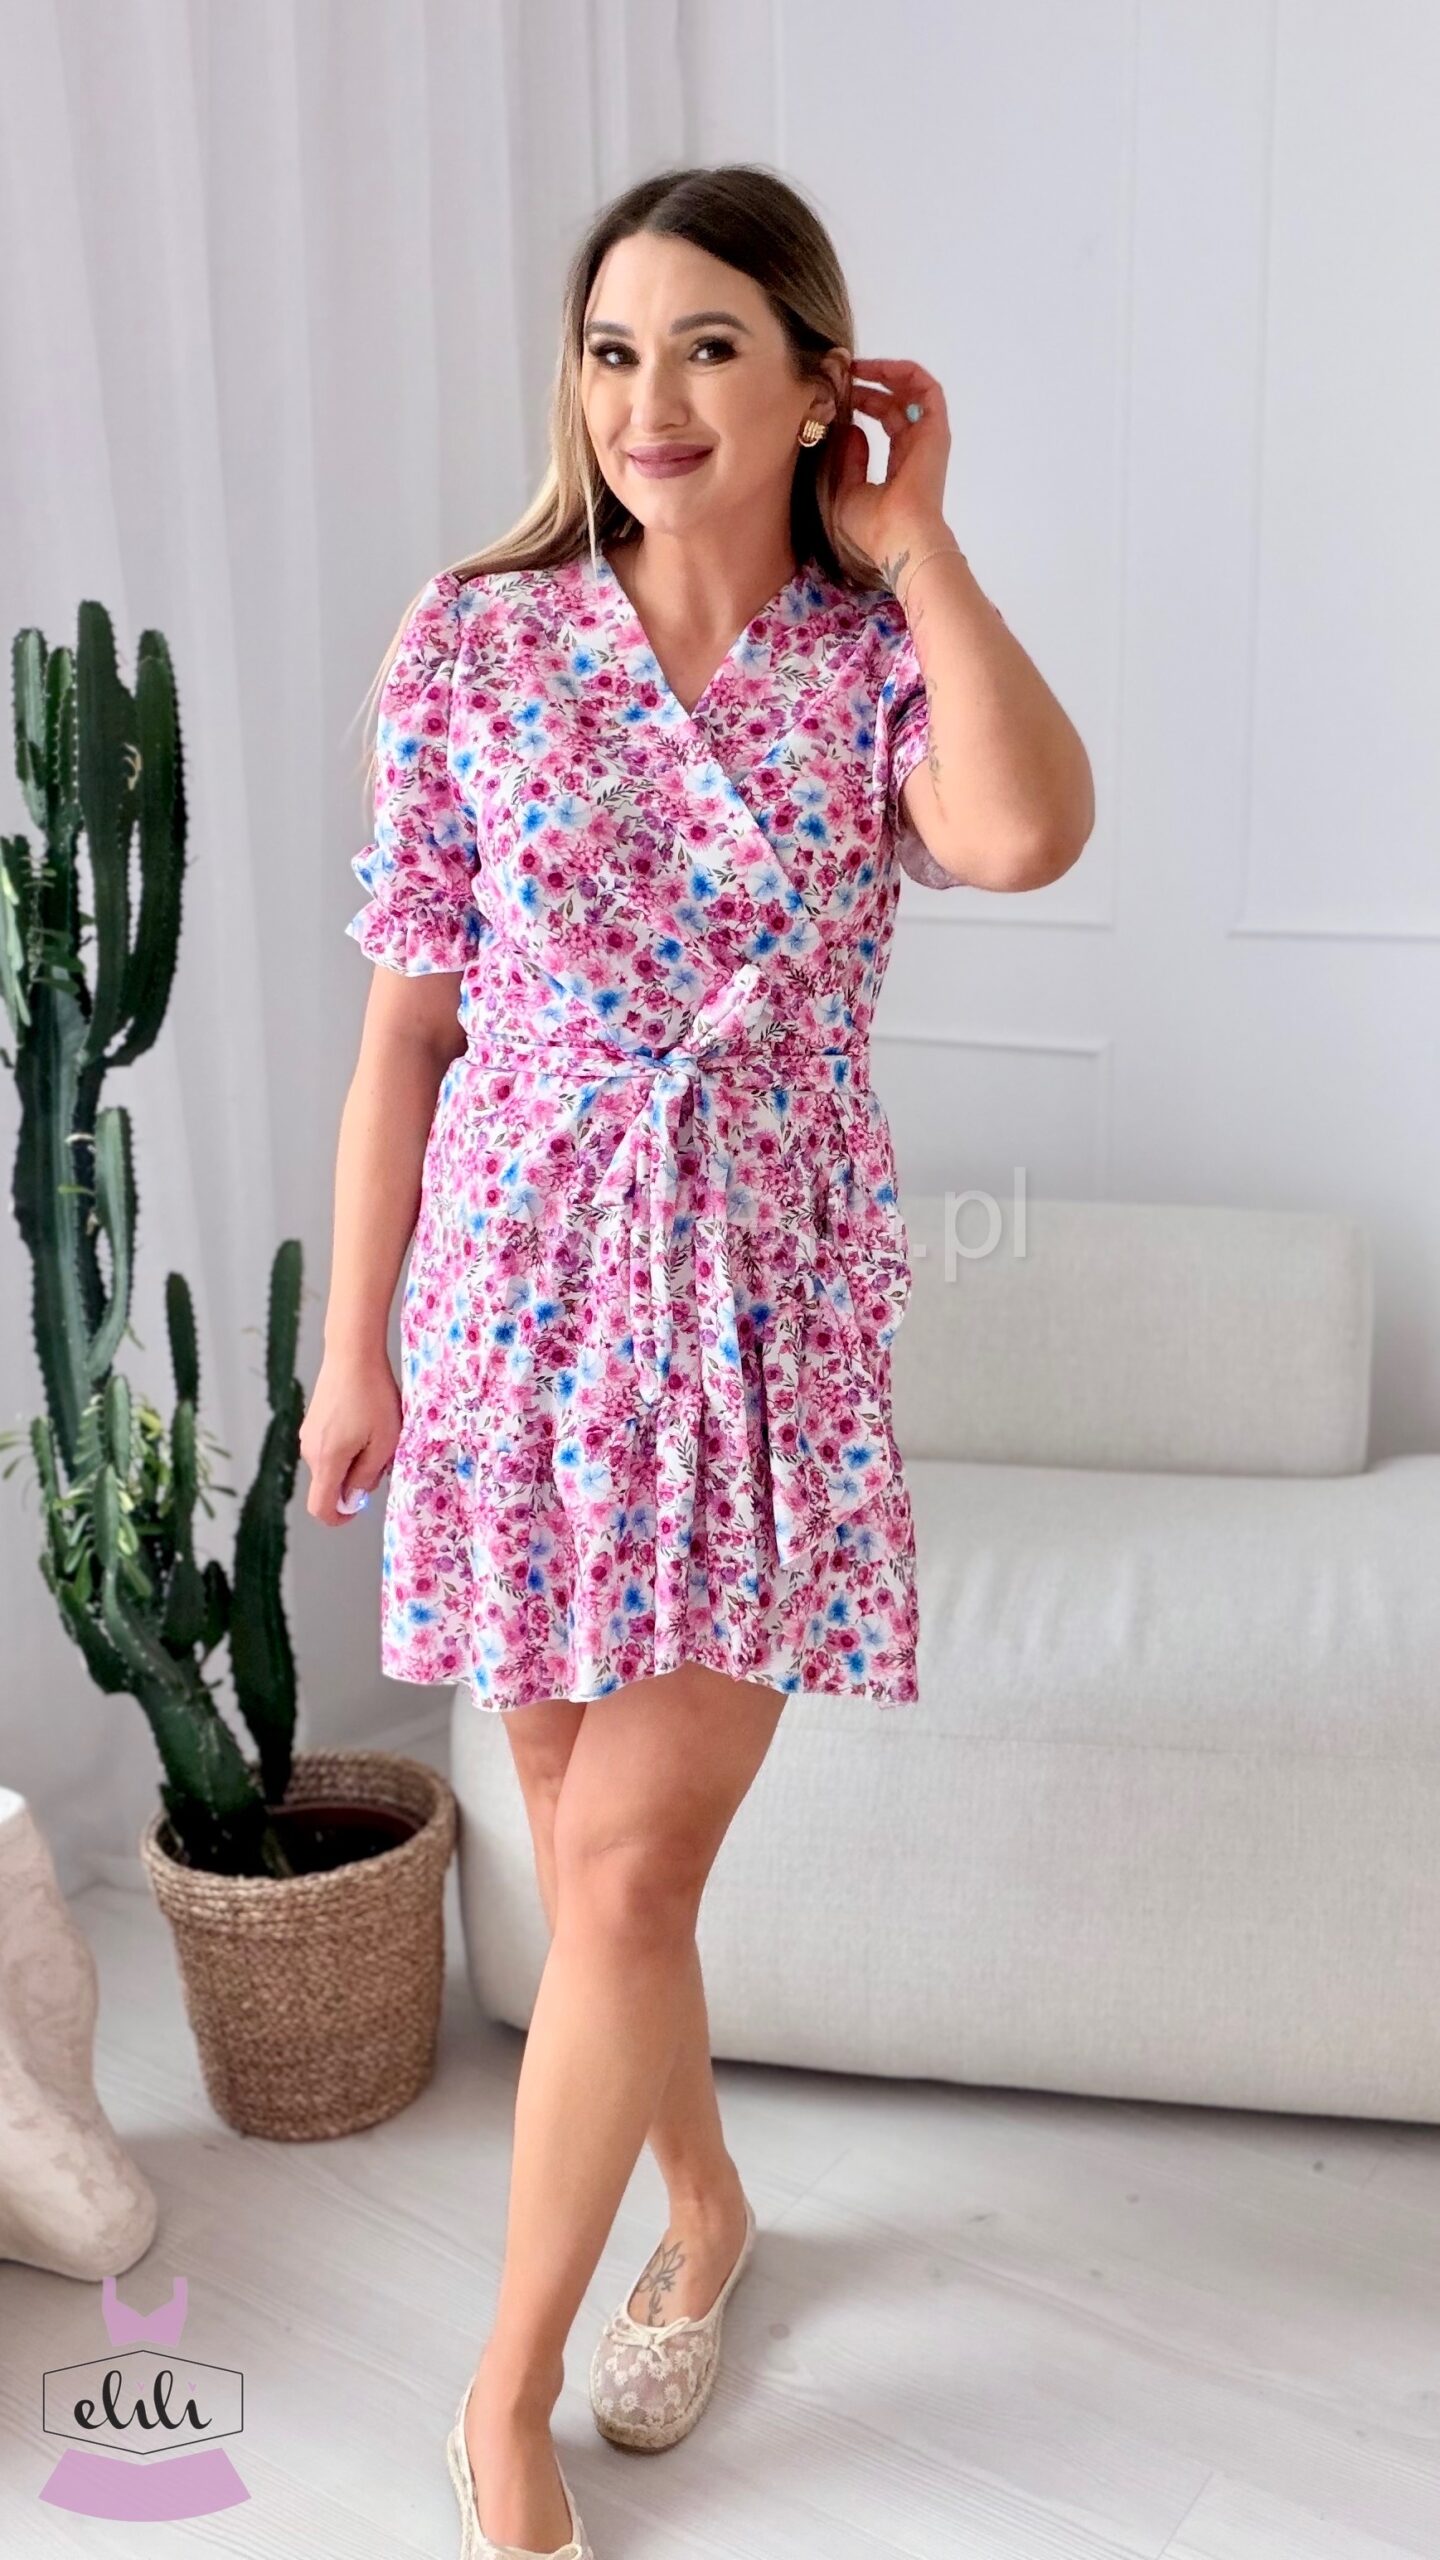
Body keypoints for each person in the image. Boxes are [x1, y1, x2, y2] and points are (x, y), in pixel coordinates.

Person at [301, 161, 1091, 2560]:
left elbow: (1027, 833)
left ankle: (499, 2392)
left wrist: (923, 543)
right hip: (519, 1290)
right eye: (614, 349)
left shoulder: (870, 657)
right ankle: (709, 2202)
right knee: (581, 1840)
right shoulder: (474, 640)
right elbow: (407, 1035)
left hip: (763, 1306)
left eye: (712, 345)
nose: (649, 398)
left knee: (630, 1871)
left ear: (820, 381)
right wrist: (355, 1351)